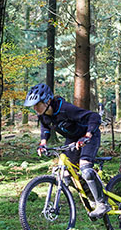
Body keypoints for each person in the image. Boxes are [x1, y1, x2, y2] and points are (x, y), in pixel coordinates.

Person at [24, 83, 108, 218]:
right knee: (65, 175)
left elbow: (94, 117)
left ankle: (102, 203)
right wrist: (43, 142)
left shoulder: (65, 109)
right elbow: (45, 127)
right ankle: (92, 197)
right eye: (33, 105)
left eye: (37, 104)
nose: (34, 108)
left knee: (85, 168)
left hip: (88, 136)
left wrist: (87, 135)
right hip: (72, 139)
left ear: (48, 101)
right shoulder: (43, 114)